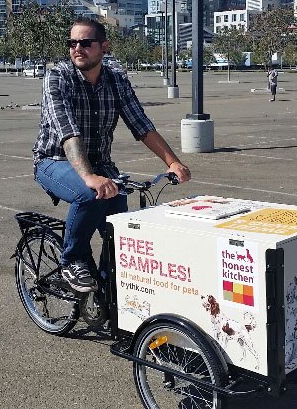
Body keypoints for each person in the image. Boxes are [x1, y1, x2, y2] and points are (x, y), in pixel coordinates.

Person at [33, 17, 191, 293]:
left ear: (104, 47)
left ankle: (108, 294)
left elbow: (141, 125)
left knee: (121, 233)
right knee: (88, 193)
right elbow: (68, 132)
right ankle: (73, 260)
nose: (77, 48)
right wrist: (89, 176)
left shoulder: (116, 80)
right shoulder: (58, 77)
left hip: (101, 166)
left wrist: (173, 162)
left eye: (85, 43)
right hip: (53, 161)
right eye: (72, 43)